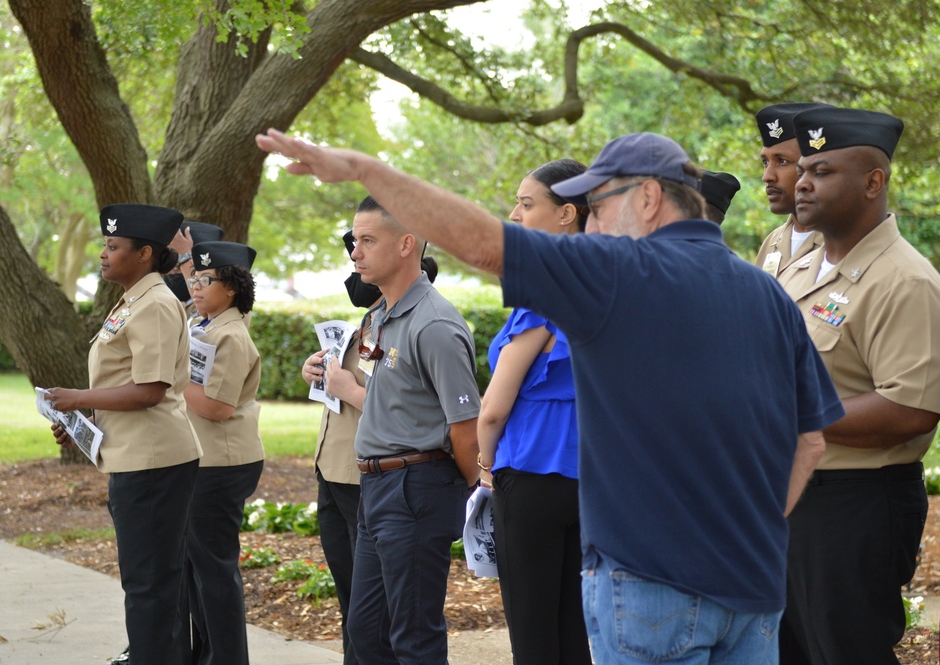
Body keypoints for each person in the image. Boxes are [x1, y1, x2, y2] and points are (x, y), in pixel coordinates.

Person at [255, 128, 845, 665]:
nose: (591, 221)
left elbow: (485, 245)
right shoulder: (766, 292)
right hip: (754, 583)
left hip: (652, 581)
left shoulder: (618, 272)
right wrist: (756, 525)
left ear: (647, 200)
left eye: (600, 203)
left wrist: (366, 170)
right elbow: (810, 441)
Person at [777, 106, 940, 665]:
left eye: (822, 171)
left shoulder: (906, 280)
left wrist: (783, 416)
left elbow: (910, 410)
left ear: (874, 182)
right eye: (803, 170)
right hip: (790, 496)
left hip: (855, 505)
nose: (801, 181)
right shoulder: (800, 268)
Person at [46, 203, 201, 665]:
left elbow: (151, 390)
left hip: (153, 461)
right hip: (136, 454)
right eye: (105, 245)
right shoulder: (136, 297)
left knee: (149, 584)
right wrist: (83, 422)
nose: (103, 254)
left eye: (114, 246)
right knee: (150, 581)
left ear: (144, 253)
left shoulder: (153, 304)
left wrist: (77, 398)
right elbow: (125, 382)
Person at [329, 194, 479, 665]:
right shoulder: (383, 317)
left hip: (414, 487)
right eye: (355, 240)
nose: (355, 251)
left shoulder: (434, 323)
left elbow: (465, 427)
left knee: (414, 635)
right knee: (368, 631)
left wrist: (459, 488)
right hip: (377, 487)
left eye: (367, 240)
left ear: (406, 244)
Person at [301, 227, 440, 665]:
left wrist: (347, 389)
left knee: (386, 617)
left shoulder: (414, 325)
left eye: (365, 250)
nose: (357, 262)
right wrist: (317, 372)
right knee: (356, 607)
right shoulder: (366, 322)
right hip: (335, 470)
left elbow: (410, 409)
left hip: (373, 478)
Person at [476, 158, 592, 665]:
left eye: (527, 204)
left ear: (567, 213)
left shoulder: (543, 295)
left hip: (529, 473)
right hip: (591, 477)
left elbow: (493, 410)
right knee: (573, 627)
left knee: (532, 630)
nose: (515, 216)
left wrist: (483, 465)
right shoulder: (605, 285)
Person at [181, 240, 265, 665]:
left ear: (230, 287)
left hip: (221, 463)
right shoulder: (206, 324)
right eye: (193, 278)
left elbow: (217, 407)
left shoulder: (230, 334)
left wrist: (170, 377)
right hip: (204, 459)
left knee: (214, 570)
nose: (195, 286)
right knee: (197, 570)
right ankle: (208, 654)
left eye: (205, 280)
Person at [753, 102, 833, 277]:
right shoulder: (773, 242)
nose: (767, 176)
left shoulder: (842, 244)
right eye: (765, 162)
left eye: (782, 161)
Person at [165, 221, 225, 319]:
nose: (170, 273)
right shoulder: (180, 303)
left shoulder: (226, 300)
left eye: (178, 268)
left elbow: (208, 313)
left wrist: (184, 255)